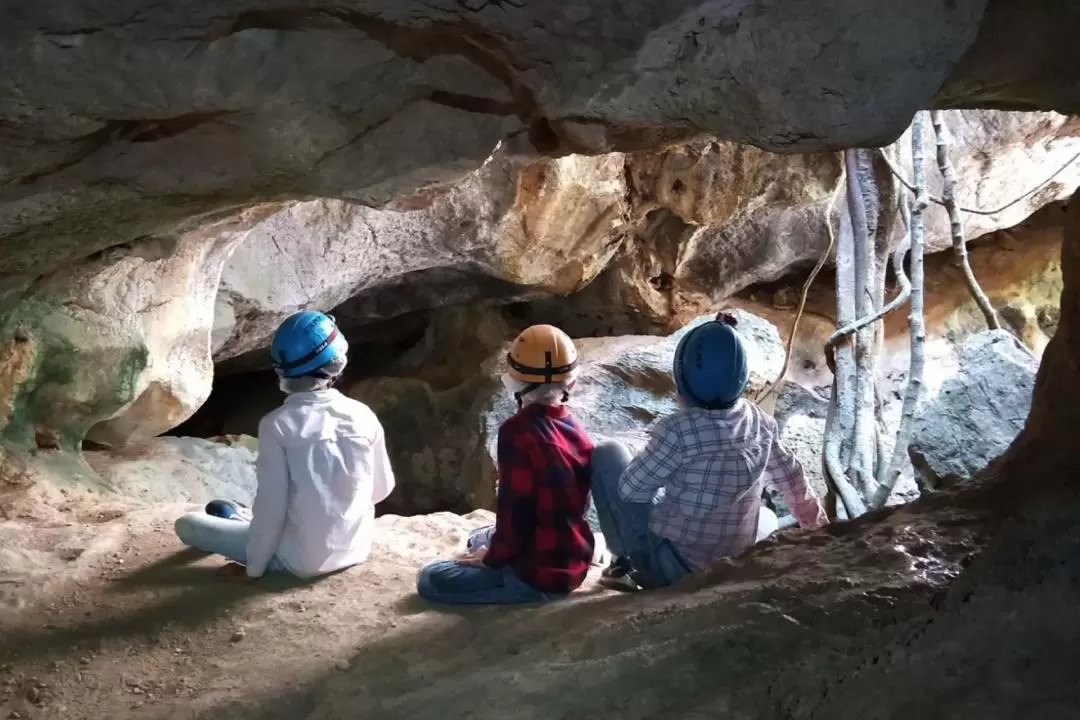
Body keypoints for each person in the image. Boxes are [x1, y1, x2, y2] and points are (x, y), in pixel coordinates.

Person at [590, 312, 827, 592]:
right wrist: (818, 529)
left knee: (608, 452)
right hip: (729, 563)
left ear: (681, 377)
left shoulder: (676, 430)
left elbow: (632, 491)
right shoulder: (760, 423)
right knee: (767, 517)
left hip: (673, 568)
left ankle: (624, 564)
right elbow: (793, 480)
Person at [174, 310, 396, 581]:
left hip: (297, 559)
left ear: (281, 369)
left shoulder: (277, 425)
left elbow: (272, 509)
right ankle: (237, 519)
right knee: (236, 512)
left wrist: (253, 570)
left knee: (188, 525)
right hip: (355, 549)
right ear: (338, 362)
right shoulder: (363, 414)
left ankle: (237, 520)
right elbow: (382, 489)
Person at [417, 324, 595, 605]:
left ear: (514, 381)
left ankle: (518, 587)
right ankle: (495, 554)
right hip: (573, 558)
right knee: (478, 538)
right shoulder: (575, 428)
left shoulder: (517, 432)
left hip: (538, 575)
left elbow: (517, 512)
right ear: (570, 383)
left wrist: (492, 559)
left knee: (431, 577)